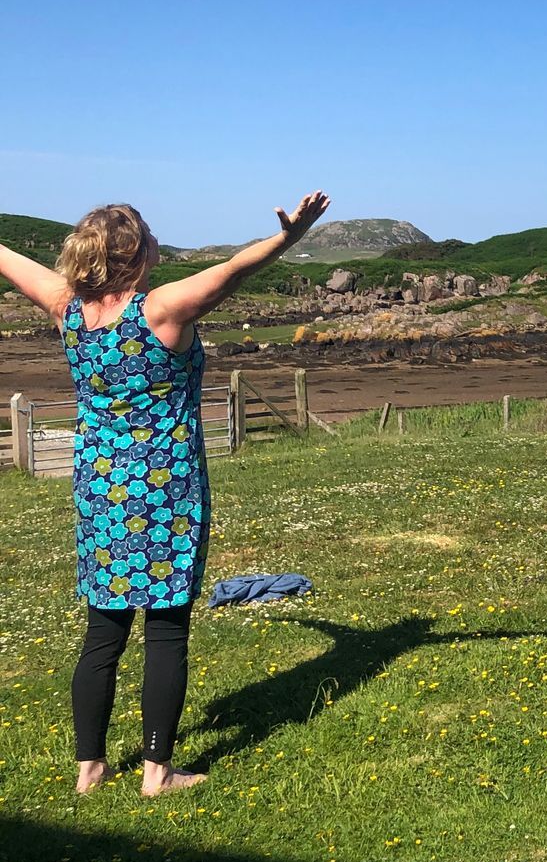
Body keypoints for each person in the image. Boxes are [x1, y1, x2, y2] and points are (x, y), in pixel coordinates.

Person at [0, 191, 331, 795]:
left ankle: (90, 770)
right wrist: (289, 238)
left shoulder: (67, 308)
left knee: (103, 632)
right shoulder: (160, 311)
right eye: (149, 236)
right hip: (165, 491)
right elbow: (235, 270)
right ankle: (157, 773)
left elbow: (9, 261)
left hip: (100, 489)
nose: (157, 242)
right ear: (136, 254)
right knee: (167, 629)